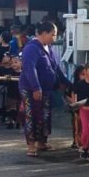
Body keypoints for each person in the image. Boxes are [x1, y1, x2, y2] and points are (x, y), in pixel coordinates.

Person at [19, 21, 71, 157]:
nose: (54, 37)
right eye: (53, 34)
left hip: (47, 89)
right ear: (44, 33)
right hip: (31, 89)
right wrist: (36, 87)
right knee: (32, 116)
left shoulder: (48, 47)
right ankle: (31, 145)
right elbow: (30, 68)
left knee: (45, 116)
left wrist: (67, 83)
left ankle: (42, 142)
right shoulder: (32, 48)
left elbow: (55, 68)